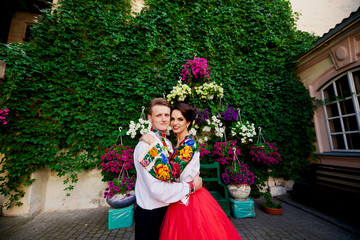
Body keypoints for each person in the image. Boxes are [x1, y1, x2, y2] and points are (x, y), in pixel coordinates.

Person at [141, 102, 242, 240]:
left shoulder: (188, 144)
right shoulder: (175, 144)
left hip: (191, 200)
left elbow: (172, 172)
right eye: (173, 119)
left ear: (188, 123)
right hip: (179, 195)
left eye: (180, 119)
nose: (175, 123)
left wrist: (152, 144)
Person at [133, 98, 203, 240]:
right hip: (151, 213)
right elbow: (157, 190)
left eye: (167, 115)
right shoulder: (146, 146)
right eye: (159, 115)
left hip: (167, 209)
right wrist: (191, 186)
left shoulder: (167, 142)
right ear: (150, 118)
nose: (165, 119)